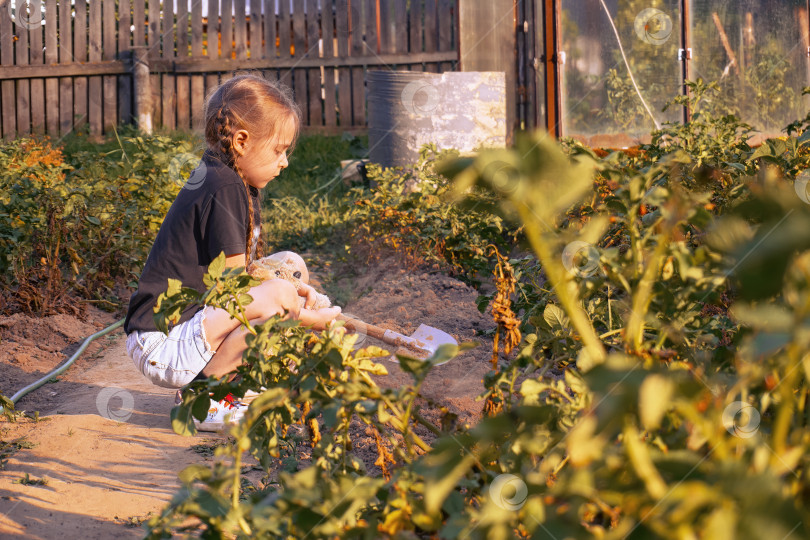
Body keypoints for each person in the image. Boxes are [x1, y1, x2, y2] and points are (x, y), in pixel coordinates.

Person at [123, 74, 341, 431]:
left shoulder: (234, 179)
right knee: (278, 295)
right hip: (162, 343)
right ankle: (205, 399)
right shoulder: (223, 185)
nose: (285, 161)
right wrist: (303, 315)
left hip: (185, 330)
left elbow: (249, 275)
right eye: (278, 150)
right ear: (241, 141)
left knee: (291, 266)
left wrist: (296, 289)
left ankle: (226, 383)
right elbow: (236, 293)